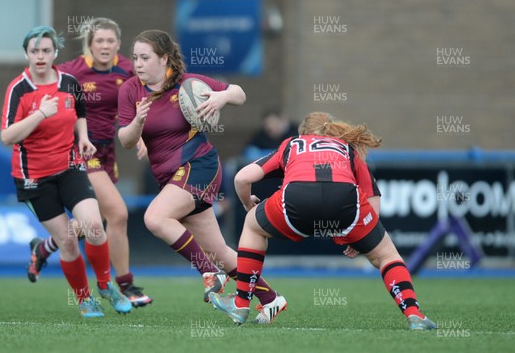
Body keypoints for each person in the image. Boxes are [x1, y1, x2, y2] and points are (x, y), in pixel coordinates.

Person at [209, 112, 437, 331]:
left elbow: (242, 177)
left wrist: (249, 204)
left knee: (252, 225)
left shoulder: (293, 143)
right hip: (345, 201)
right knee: (387, 256)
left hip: (297, 198)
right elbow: (372, 199)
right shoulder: (348, 149)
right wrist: (357, 236)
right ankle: (414, 314)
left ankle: (240, 304)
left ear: (303, 132)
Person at [118, 30, 286, 323]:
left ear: (164, 59)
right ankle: (271, 299)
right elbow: (126, 140)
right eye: (135, 57)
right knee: (219, 250)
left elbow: (239, 93)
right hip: (170, 177)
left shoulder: (187, 83)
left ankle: (208, 271)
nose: (138, 63)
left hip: (200, 166)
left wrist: (221, 97)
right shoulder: (130, 90)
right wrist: (136, 122)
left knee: (155, 218)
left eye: (145, 57)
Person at [1, 26, 132, 317]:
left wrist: (83, 137)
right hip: (33, 178)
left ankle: (105, 286)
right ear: (27, 54)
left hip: (70, 167)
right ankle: (84, 299)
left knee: (94, 226)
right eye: (35, 51)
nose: (40, 56)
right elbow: (7, 136)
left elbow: (80, 112)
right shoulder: (18, 89)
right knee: (68, 243)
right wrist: (39, 114)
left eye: (46, 50)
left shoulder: (69, 82)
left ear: (55, 54)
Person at [25, 18, 152, 308]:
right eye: (99, 41)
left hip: (108, 154)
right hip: (79, 152)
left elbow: (138, 103)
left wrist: (142, 135)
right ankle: (126, 285)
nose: (105, 46)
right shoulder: (72, 71)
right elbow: (42, 88)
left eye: (110, 41)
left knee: (89, 222)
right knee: (118, 214)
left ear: (119, 44)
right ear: (89, 45)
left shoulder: (128, 70)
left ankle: (43, 248)